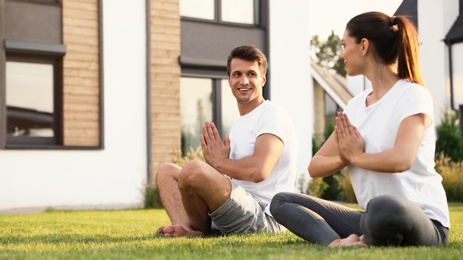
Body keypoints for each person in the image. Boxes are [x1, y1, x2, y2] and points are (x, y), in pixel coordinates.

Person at [270, 11, 450, 247]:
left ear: (363, 45)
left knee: (383, 206)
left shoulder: (412, 95)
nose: (342, 53)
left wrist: (357, 156)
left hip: (421, 219)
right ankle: (337, 243)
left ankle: (370, 236)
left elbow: (401, 159)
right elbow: (316, 166)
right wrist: (344, 156)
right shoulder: (355, 106)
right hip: (371, 217)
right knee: (281, 201)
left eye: (345, 45)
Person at [156, 45, 298, 237]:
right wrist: (216, 169)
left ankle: (197, 230)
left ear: (263, 80)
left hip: (266, 216)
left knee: (193, 170)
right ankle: (188, 228)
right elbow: (232, 178)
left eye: (251, 74)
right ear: (229, 81)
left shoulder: (273, 115)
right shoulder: (239, 123)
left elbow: (259, 170)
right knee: (167, 172)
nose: (244, 80)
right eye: (237, 74)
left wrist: (220, 164)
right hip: (238, 205)